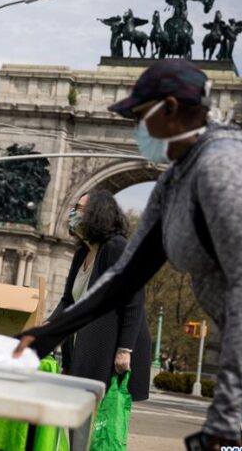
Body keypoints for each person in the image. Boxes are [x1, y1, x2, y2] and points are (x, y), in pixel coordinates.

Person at [14, 59, 242, 449]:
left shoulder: (226, 165)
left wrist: (226, 409)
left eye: (141, 115)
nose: (136, 127)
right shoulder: (174, 181)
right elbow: (124, 276)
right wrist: (46, 335)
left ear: (172, 108)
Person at [57, 188, 151, 450]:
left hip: (112, 345)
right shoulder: (81, 253)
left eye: (80, 209)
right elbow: (69, 300)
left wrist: (125, 350)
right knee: (81, 415)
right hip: (88, 342)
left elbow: (134, 300)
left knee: (97, 420)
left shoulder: (117, 248)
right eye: (74, 207)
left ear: (98, 214)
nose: (74, 213)